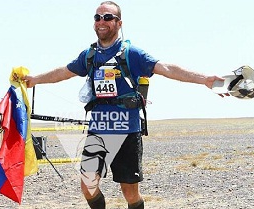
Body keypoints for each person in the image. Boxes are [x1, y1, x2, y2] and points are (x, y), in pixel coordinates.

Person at [24, 1, 225, 209]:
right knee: (88, 185)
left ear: (119, 23)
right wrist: (35, 80)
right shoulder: (89, 55)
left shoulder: (132, 53)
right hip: (98, 131)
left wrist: (204, 79)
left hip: (127, 131)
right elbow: (64, 72)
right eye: (98, 17)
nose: (102, 21)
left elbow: (166, 68)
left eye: (108, 17)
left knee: (130, 194)